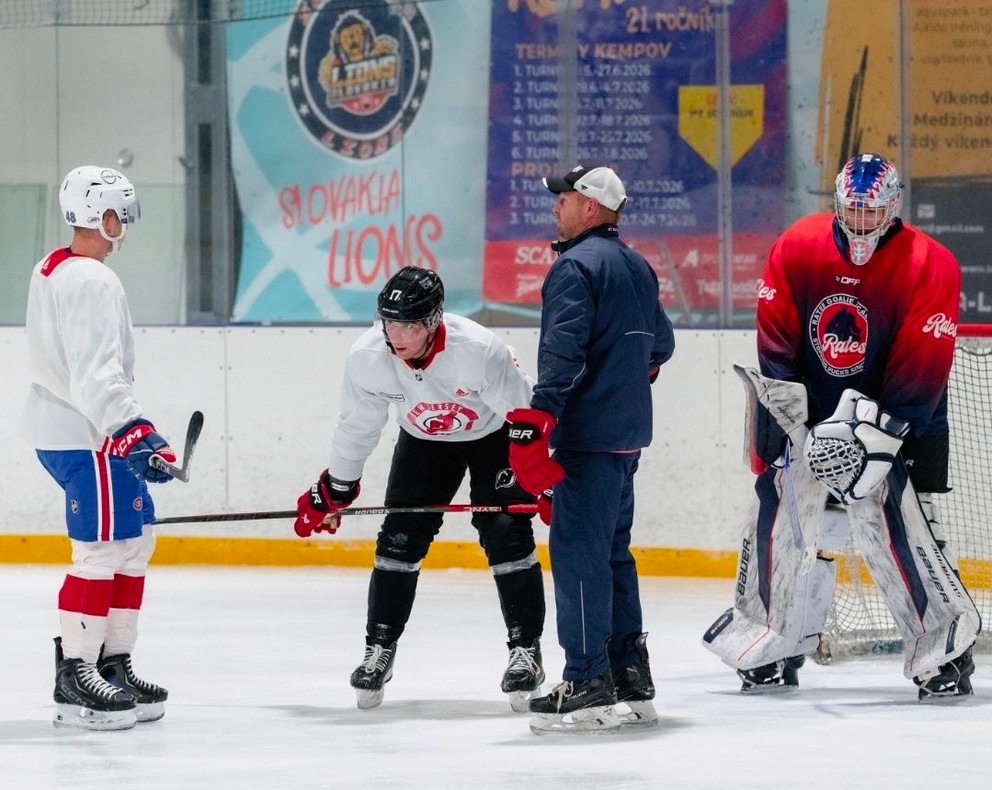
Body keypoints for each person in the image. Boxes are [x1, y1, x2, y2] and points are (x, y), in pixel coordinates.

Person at [701, 152, 980, 701]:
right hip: (807, 416)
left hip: (886, 420)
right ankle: (770, 639)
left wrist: (870, 438)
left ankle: (941, 649)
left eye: (870, 211)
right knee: (774, 514)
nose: (859, 221)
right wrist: (795, 422)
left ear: (892, 207)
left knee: (891, 527)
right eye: (851, 210)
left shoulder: (930, 262)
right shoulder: (799, 244)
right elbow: (777, 341)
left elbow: (922, 360)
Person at [294, 265, 546, 712]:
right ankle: (379, 648)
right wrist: (337, 487)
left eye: (408, 324)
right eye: (389, 322)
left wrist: (542, 482)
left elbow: (524, 418)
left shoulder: (479, 350)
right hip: (424, 441)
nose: (397, 335)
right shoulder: (367, 356)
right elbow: (357, 428)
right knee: (399, 539)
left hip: (493, 436)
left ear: (433, 321)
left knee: (506, 533)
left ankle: (525, 650)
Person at [507, 164, 676, 734]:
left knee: (580, 555)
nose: (555, 205)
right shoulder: (636, 264)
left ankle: (585, 681)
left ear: (591, 206)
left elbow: (564, 354)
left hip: (587, 438)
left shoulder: (574, 266)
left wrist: (539, 421)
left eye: (564, 197)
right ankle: (631, 673)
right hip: (628, 437)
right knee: (612, 554)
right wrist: (625, 378)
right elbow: (663, 345)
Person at [19, 166, 176, 730]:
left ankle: (111, 664)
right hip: (87, 434)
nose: (124, 226)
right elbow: (95, 373)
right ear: (105, 218)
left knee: (134, 543)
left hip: (81, 429)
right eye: (122, 215)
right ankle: (77, 676)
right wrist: (132, 430)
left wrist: (128, 430)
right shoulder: (91, 280)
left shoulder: (55, 265)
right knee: (105, 551)